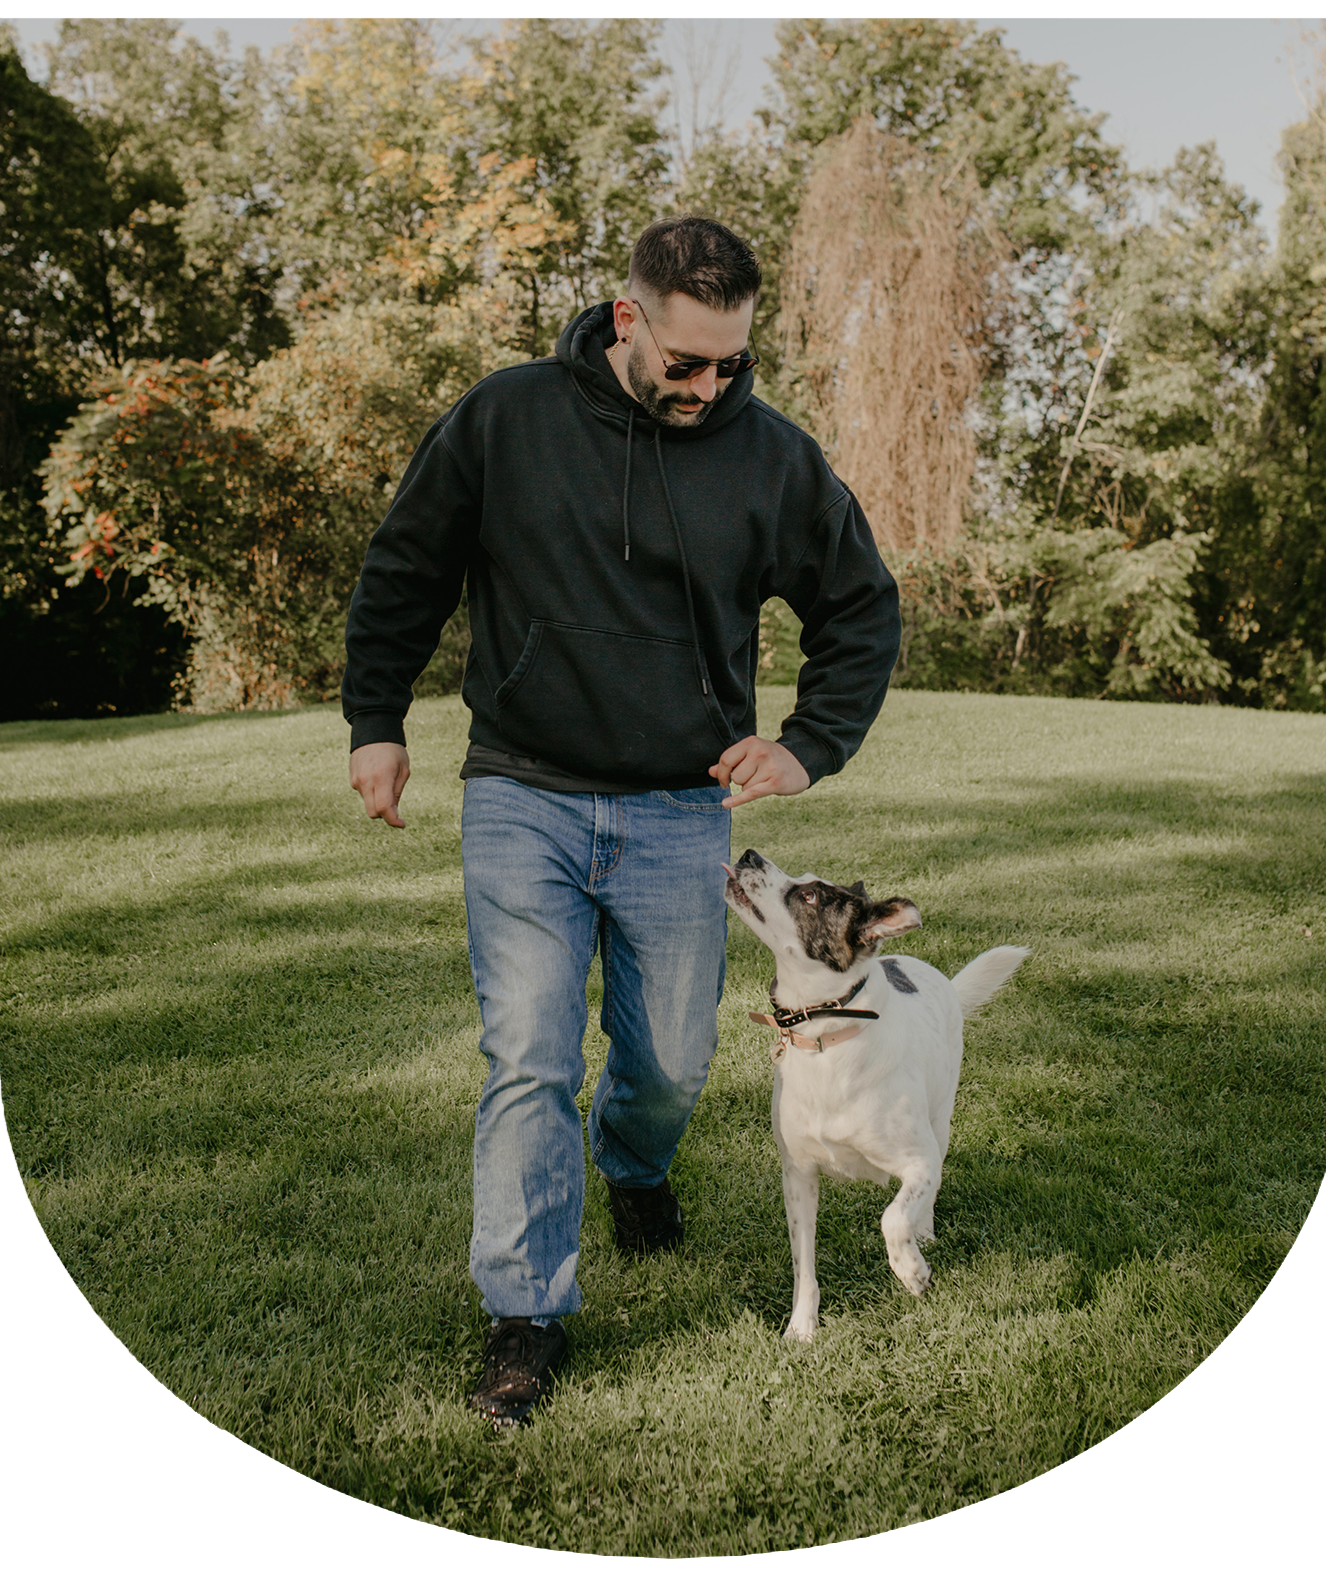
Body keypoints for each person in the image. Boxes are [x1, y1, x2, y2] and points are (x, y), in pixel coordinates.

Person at [342, 215, 900, 1427]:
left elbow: (859, 607)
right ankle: (525, 1315)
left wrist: (805, 745)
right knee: (530, 1054)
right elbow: (405, 565)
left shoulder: (771, 459)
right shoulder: (509, 418)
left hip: (675, 809)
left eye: (731, 365)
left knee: (671, 1065)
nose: (708, 388)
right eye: (686, 362)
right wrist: (374, 720)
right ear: (625, 319)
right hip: (520, 790)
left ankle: (634, 1163)